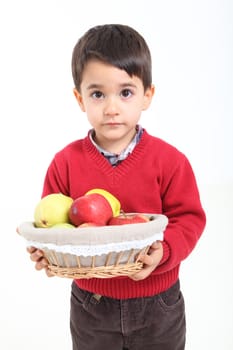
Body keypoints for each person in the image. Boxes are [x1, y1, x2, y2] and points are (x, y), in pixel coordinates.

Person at [27, 24, 206, 350]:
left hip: (158, 302)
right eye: (98, 94)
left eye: (125, 92)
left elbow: (189, 219)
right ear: (80, 99)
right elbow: (53, 224)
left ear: (147, 95)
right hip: (91, 305)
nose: (111, 108)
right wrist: (47, 251)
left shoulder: (170, 161)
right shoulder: (64, 163)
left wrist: (163, 252)